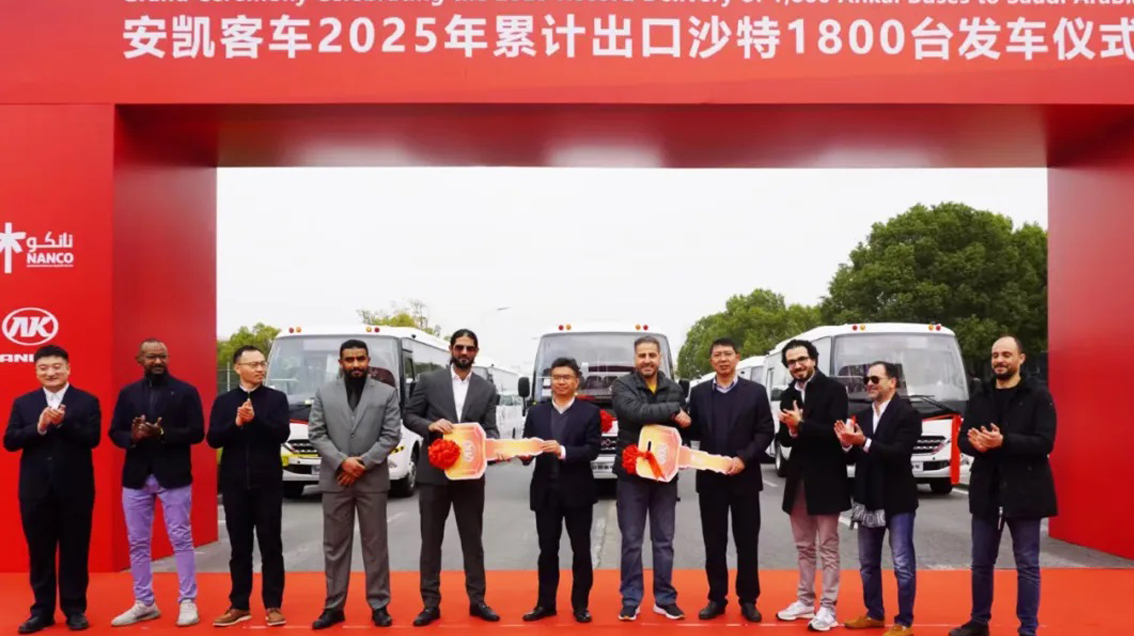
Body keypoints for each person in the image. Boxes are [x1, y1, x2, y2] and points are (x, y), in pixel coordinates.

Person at [949, 336, 1057, 636]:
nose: (999, 360)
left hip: (1026, 491)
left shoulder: (1038, 395)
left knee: (1027, 564)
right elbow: (963, 439)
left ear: (1020, 359)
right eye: (995, 355)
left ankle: (1028, 628)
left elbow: (1045, 442)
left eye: (1006, 355)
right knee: (981, 562)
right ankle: (979, 622)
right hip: (987, 490)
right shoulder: (981, 395)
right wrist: (974, 445)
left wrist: (1004, 442)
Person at [404, 329, 502, 627]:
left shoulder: (486, 389)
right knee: (431, 541)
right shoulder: (429, 381)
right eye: (459, 347)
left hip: (470, 476)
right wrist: (430, 425)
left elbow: (490, 428)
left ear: (476, 352)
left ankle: (478, 600)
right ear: (451, 349)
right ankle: (430, 603)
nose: (464, 353)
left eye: (469, 348)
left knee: (473, 540)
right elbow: (409, 415)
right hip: (434, 473)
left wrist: (494, 445)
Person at [107, 339, 205, 628]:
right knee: (137, 541)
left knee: (181, 539)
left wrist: (162, 433)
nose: (158, 361)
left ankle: (187, 601)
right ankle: (144, 602)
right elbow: (115, 431)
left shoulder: (186, 391)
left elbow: (197, 432)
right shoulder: (128, 394)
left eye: (162, 356)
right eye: (151, 356)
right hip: (136, 477)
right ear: (140, 360)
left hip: (174, 477)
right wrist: (133, 437)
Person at [4, 345, 101, 634]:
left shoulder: (86, 401)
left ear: (68, 368)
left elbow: (92, 438)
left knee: (75, 551)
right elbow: (10, 440)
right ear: (36, 372)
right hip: (35, 491)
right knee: (40, 553)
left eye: (57, 367)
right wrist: (40, 426)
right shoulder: (24, 403)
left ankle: (74, 609)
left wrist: (63, 422)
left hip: (76, 490)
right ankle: (42, 611)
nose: (51, 372)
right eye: (44, 368)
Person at [308, 339, 403, 629]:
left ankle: (379, 605)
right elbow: (316, 433)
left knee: (375, 545)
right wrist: (342, 462)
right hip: (336, 479)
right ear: (341, 363)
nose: (356, 365)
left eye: (360, 359)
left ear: (368, 360)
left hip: (372, 480)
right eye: (349, 360)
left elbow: (391, 435)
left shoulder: (386, 393)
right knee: (334, 546)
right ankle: (334, 606)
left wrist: (361, 464)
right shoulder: (324, 393)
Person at [686, 338, 774, 623]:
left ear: (738, 357)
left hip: (744, 477)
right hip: (711, 479)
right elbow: (694, 430)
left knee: (747, 542)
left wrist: (744, 458)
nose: (722, 359)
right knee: (714, 543)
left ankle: (748, 599)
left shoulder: (755, 392)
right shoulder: (699, 393)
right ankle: (716, 597)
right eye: (717, 355)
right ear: (711, 360)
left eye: (727, 354)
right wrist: (683, 426)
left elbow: (765, 431)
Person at [207, 345, 291, 628]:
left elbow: (282, 433)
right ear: (237, 368)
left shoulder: (276, 399)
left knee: (271, 545)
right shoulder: (224, 401)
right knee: (239, 548)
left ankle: (273, 604)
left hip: (267, 483)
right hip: (234, 484)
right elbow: (213, 439)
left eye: (262, 364)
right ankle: (239, 604)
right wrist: (236, 422)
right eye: (253, 364)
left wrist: (256, 420)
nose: (259, 369)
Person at [837, 362, 921, 636]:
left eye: (875, 379)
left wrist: (864, 442)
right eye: (866, 380)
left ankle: (904, 622)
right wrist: (846, 443)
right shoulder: (861, 415)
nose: (869, 384)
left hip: (898, 499)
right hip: (867, 496)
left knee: (902, 563)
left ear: (892, 382)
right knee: (868, 563)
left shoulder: (908, 414)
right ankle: (874, 613)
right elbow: (854, 456)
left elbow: (899, 453)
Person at [774, 339, 852, 632]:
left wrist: (801, 424)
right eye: (791, 362)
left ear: (814, 359)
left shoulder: (834, 390)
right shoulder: (788, 394)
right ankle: (805, 600)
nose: (797, 365)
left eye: (802, 359)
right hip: (798, 479)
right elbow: (783, 439)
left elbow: (836, 432)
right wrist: (792, 429)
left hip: (828, 477)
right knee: (804, 546)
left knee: (828, 547)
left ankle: (828, 607)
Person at [611, 335, 690, 622]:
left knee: (664, 540)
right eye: (642, 355)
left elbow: (681, 430)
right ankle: (631, 599)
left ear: (660, 358)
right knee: (632, 541)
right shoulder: (622, 386)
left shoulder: (674, 388)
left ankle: (665, 598)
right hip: (631, 475)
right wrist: (672, 410)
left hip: (664, 476)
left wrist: (682, 445)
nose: (647, 360)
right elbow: (635, 413)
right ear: (635, 359)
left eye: (652, 355)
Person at [518, 357, 602, 624]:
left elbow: (592, 450)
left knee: (581, 551)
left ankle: (580, 605)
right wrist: (523, 454)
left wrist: (563, 451)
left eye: (566, 377)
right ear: (550, 382)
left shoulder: (589, 412)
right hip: (546, 493)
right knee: (547, 551)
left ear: (576, 381)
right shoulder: (537, 413)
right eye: (556, 377)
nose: (561, 382)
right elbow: (528, 447)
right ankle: (545, 604)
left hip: (578, 492)